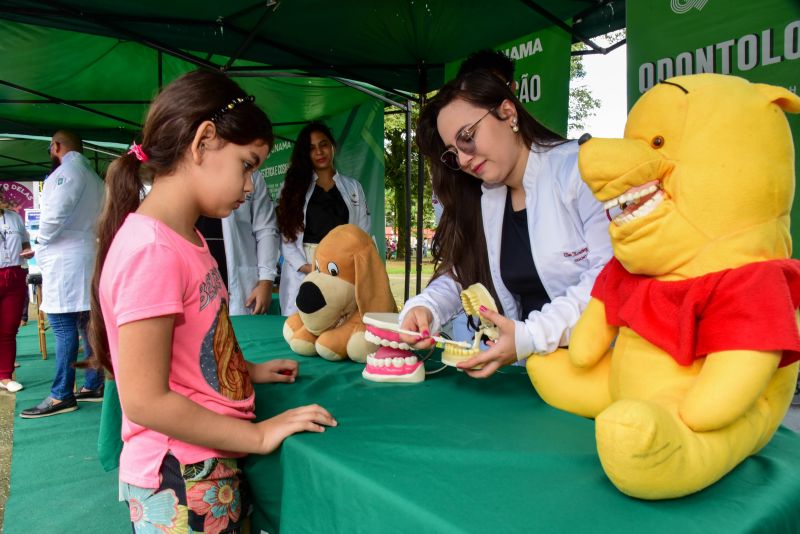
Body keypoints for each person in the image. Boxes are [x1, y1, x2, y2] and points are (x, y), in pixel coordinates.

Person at [87, 70, 336, 532]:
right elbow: (144, 400)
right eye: (247, 164)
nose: (249, 186)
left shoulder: (188, 238)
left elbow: (197, 345)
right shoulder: (152, 250)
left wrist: (247, 374)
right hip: (179, 472)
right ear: (203, 141)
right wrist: (256, 434)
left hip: (203, 464)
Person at [399, 70, 613, 378]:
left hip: (603, 371)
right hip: (534, 376)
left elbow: (609, 279)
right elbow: (465, 271)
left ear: (507, 112)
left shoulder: (580, 171)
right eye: (453, 152)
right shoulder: (489, 198)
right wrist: (425, 308)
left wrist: (531, 335)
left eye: (467, 137)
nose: (463, 159)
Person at [20, 130, 106, 418]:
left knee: (62, 324)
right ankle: (94, 384)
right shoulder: (93, 176)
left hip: (66, 259)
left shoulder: (66, 172)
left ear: (55, 146)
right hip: (84, 254)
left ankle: (61, 394)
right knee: (85, 323)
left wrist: (40, 243)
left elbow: (55, 215)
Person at [276, 122, 371, 316]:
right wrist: (307, 267)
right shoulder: (293, 188)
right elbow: (286, 236)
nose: (319, 152)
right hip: (304, 266)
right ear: (305, 154)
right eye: (311, 148)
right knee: (301, 328)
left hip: (340, 267)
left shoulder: (353, 187)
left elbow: (362, 232)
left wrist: (345, 266)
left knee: (338, 325)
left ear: (333, 147)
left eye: (324, 144)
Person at [196, 169, 280, 316]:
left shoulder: (252, 175)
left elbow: (266, 229)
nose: (249, 187)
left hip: (239, 282)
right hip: (198, 274)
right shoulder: (187, 170)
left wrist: (266, 280)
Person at [0, 203, 33, 393]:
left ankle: (5, 375)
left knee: (9, 328)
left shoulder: (14, 218)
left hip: (14, 275)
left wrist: (27, 252)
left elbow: (25, 244)